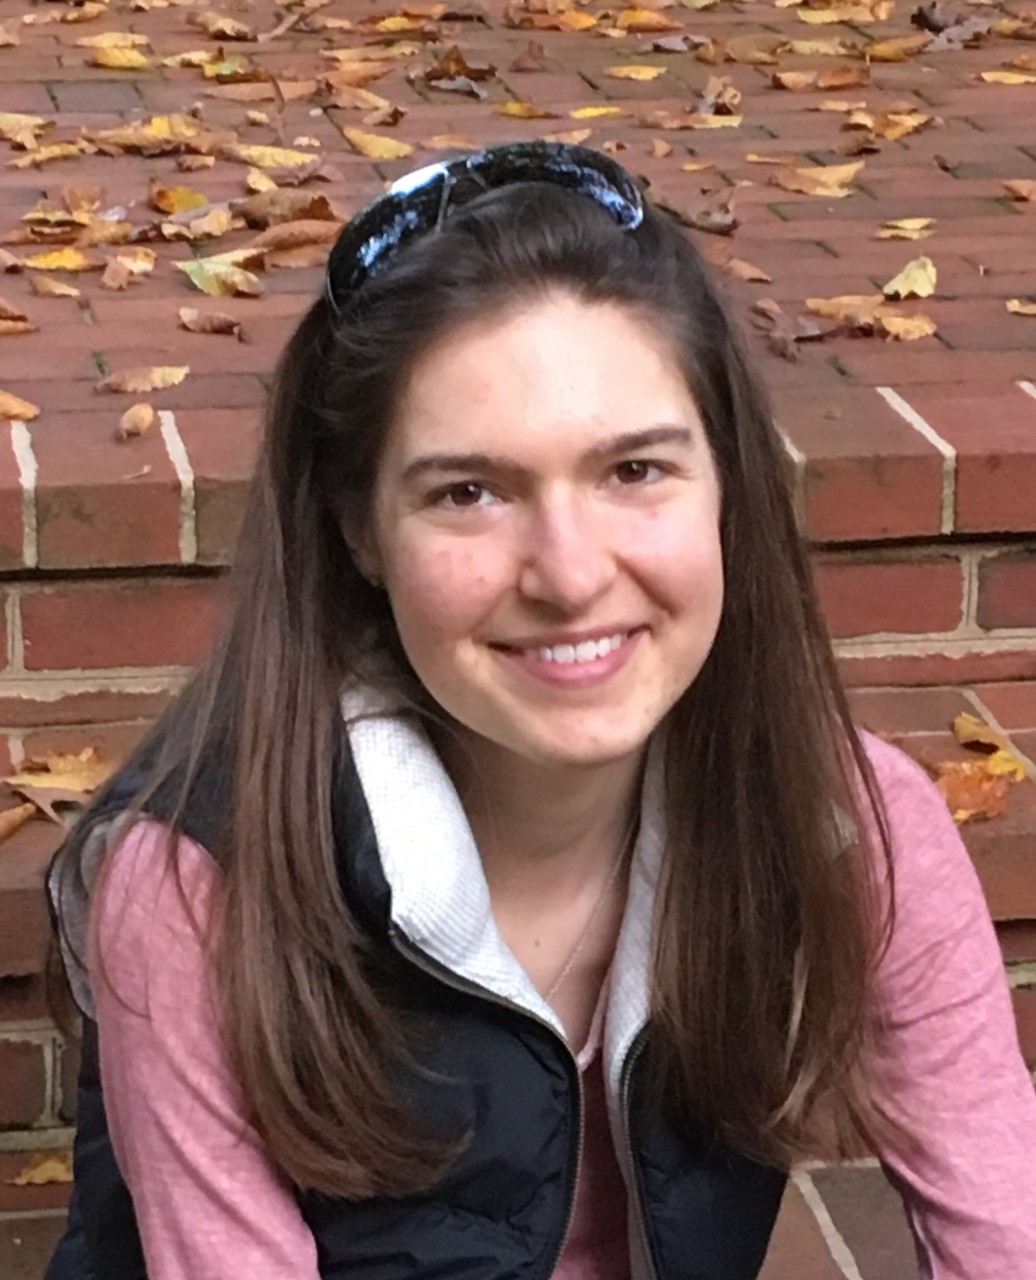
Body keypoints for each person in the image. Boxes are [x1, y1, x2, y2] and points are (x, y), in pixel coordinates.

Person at [44, 141, 1036, 1280]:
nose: (568, 575)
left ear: (727, 484)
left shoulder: (849, 828)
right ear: (360, 531)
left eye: (634, 471)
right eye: (469, 491)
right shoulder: (199, 888)